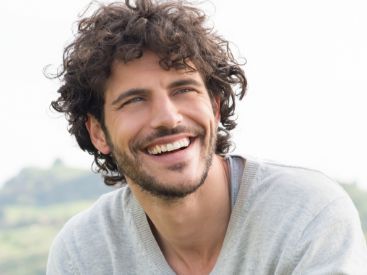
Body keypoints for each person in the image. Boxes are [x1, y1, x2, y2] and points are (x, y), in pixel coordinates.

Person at [46, 0, 367, 274]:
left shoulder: (307, 215)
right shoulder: (82, 253)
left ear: (214, 106)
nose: (168, 118)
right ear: (99, 133)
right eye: (135, 100)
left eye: (183, 90)